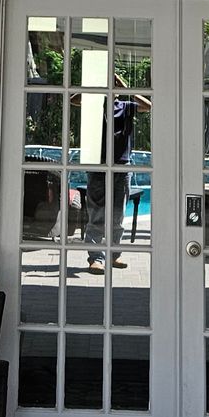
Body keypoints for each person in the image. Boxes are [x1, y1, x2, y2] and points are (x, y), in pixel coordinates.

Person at [85, 70, 150, 273]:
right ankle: (96, 258)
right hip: (98, 165)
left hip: (122, 166)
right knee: (97, 213)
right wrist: (96, 87)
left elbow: (148, 106)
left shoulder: (125, 106)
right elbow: (73, 99)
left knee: (118, 214)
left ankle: (114, 254)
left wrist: (124, 87)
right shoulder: (95, 104)